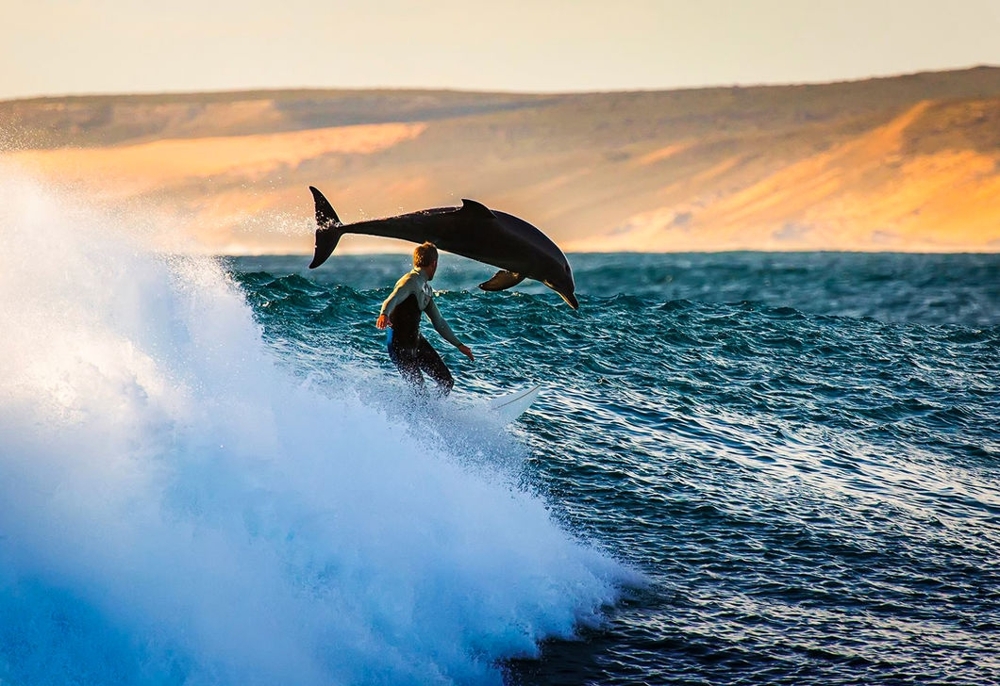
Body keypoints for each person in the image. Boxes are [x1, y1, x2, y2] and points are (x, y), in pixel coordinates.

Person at [376, 242, 474, 395]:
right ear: (434, 263)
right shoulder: (410, 281)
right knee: (420, 392)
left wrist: (459, 345)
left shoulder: (426, 289)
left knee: (446, 381)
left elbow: (439, 322)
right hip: (399, 346)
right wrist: (384, 314)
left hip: (416, 342)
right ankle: (416, 416)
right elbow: (392, 298)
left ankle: (434, 412)